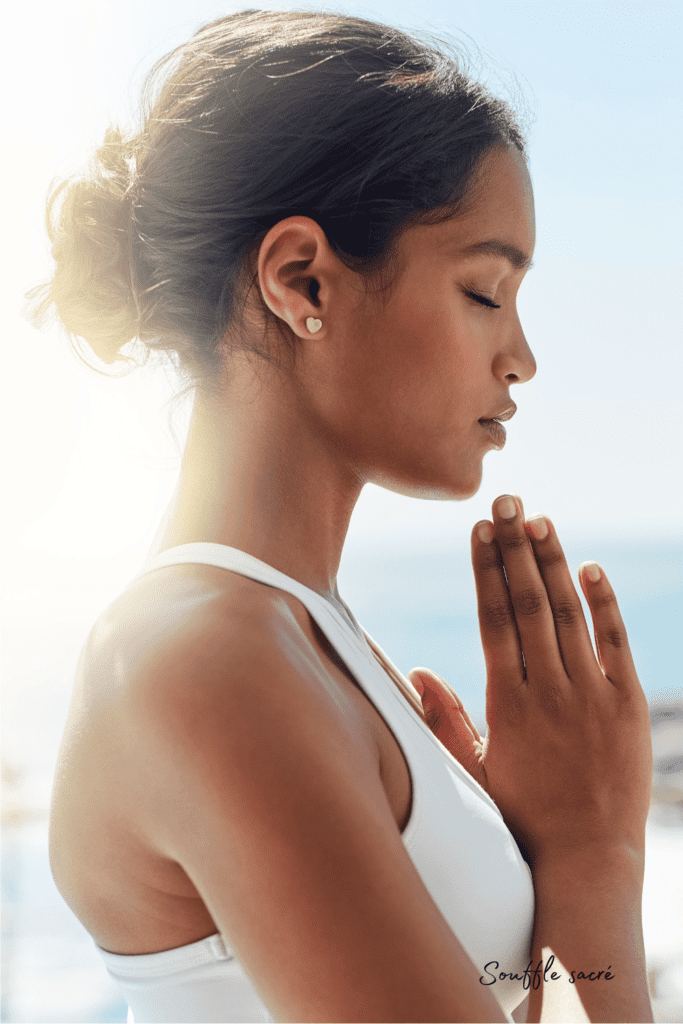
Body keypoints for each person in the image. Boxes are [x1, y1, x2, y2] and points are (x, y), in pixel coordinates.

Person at [29, 9, 655, 1023]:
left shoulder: (303, 642)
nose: (521, 358)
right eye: (484, 291)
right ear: (299, 279)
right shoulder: (205, 659)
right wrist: (592, 851)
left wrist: (544, 850)